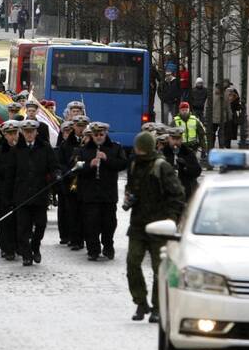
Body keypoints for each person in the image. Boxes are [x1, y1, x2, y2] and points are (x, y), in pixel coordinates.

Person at [125, 130, 185, 322]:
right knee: (133, 264)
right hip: (138, 224)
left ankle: (158, 307)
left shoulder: (162, 167)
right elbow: (130, 187)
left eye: (141, 148)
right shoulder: (134, 164)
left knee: (160, 269)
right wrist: (129, 197)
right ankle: (141, 303)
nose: (139, 151)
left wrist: (171, 219)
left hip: (159, 226)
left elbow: (177, 194)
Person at [7, 119, 58, 266]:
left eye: (32, 131)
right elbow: (10, 174)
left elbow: (54, 166)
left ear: (36, 132)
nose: (29, 134)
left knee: (41, 225)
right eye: (26, 132)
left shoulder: (45, 147)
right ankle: (26, 254)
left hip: (40, 194)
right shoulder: (17, 149)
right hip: (21, 195)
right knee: (23, 228)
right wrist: (9, 196)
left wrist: (56, 174)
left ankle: (35, 246)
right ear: (22, 133)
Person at [76, 122, 127, 261]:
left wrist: (107, 159)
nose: (98, 137)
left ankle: (108, 246)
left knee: (109, 223)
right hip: (90, 193)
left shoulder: (115, 148)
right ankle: (93, 249)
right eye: (96, 135)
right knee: (91, 223)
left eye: (101, 134)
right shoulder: (83, 150)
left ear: (105, 134)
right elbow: (76, 169)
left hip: (108, 193)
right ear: (91, 135)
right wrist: (89, 165)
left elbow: (122, 164)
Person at [0, 121, 20, 260]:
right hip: (2, 190)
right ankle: (6, 248)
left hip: (19, 190)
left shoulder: (23, 148)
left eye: (15, 133)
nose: (12, 136)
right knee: (4, 221)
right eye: (9, 134)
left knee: (20, 221)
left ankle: (19, 246)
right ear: (4, 135)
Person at [56, 115, 86, 249]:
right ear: (74, 126)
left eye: (83, 126)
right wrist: (69, 172)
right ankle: (74, 239)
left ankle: (84, 237)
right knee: (71, 211)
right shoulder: (66, 144)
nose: (81, 129)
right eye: (78, 126)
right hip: (70, 181)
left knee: (85, 212)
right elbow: (60, 162)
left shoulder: (88, 142)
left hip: (86, 181)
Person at [162, 125, 203, 200]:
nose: (175, 142)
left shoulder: (187, 152)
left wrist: (185, 166)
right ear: (169, 139)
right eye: (173, 139)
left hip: (185, 193)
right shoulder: (164, 152)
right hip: (167, 194)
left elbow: (197, 171)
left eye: (178, 139)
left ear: (181, 139)